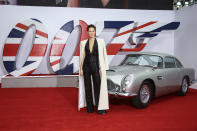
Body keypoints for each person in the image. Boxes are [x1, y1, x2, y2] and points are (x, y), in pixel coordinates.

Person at [78, 24, 109, 114]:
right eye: (90, 31)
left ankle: (101, 108)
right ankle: (90, 108)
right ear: (87, 32)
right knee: (87, 87)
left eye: (93, 31)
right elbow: (82, 56)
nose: (91, 33)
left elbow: (104, 54)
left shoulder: (100, 41)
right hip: (86, 67)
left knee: (98, 87)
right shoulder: (83, 43)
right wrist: (80, 69)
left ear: (95, 32)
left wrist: (102, 67)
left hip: (96, 67)